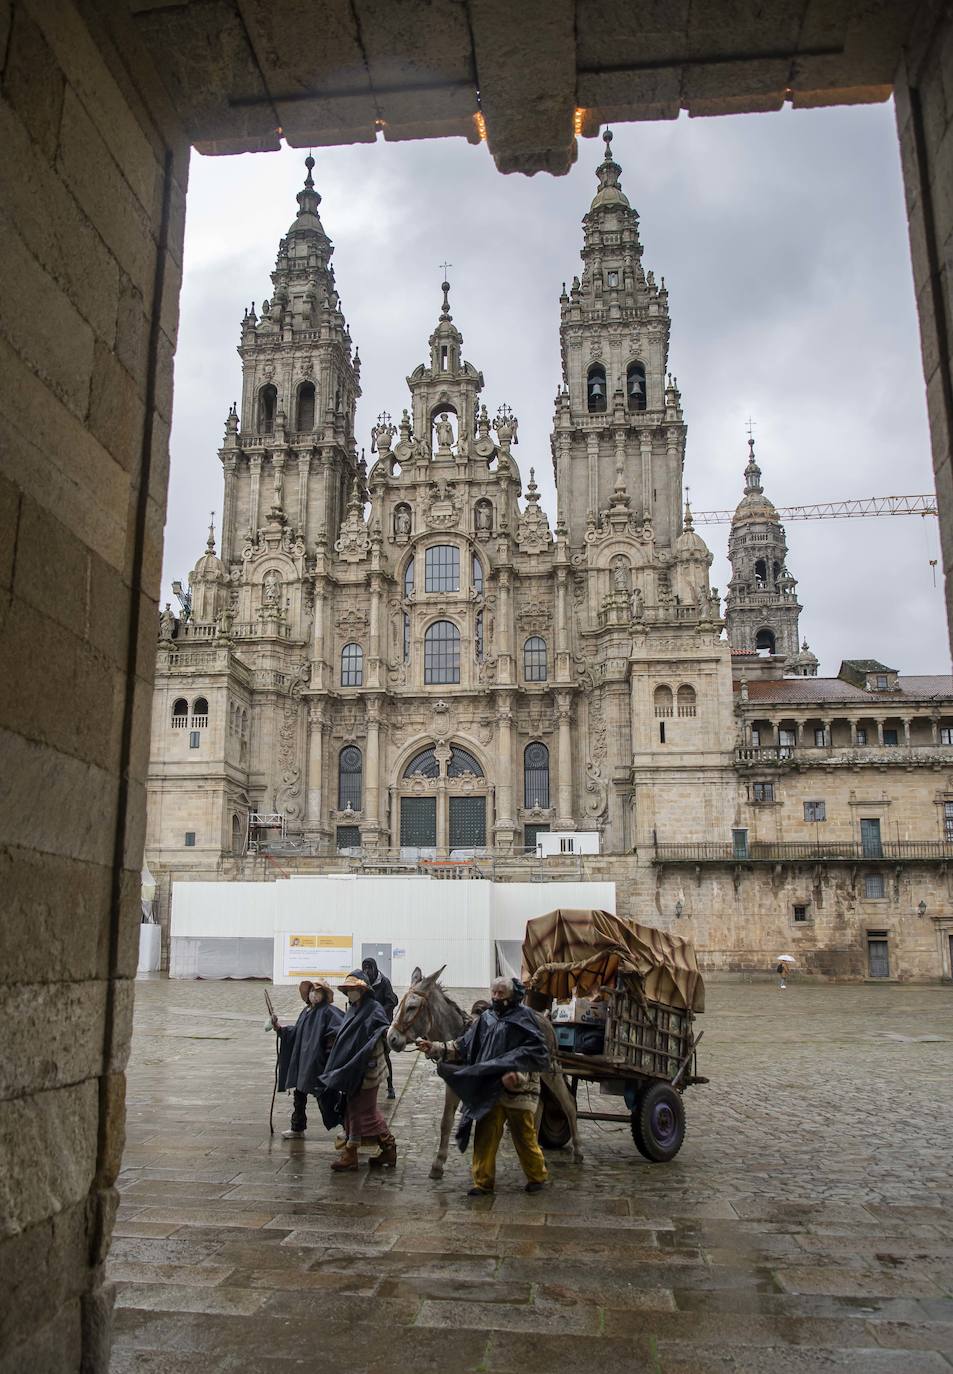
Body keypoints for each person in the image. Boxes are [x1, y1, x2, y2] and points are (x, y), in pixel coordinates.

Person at [418, 976, 551, 1197]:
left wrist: (518, 1075)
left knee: (524, 1137)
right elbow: (463, 1046)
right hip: (491, 1089)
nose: (497, 997)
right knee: (484, 1136)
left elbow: (533, 1052)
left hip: (519, 1092)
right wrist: (435, 1047)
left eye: (501, 994)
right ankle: (483, 1181)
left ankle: (537, 1176)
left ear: (511, 996)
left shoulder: (525, 1018)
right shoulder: (486, 1019)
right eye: (494, 993)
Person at [316, 970, 396, 1172]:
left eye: (353, 989)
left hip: (369, 1069)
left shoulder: (374, 1008)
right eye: (348, 990)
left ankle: (360, 1150)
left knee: (365, 1111)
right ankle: (379, 1149)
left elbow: (383, 1031)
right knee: (352, 1108)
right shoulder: (353, 1009)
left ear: (362, 990)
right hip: (353, 1070)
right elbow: (347, 1032)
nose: (350, 993)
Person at [270, 979, 342, 1139]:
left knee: (327, 1097)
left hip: (318, 1062)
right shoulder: (306, 1012)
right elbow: (297, 1032)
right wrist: (280, 1029)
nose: (314, 994)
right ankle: (297, 1127)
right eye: (311, 991)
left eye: (317, 991)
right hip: (303, 1061)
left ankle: (347, 1126)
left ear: (324, 995)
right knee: (299, 1095)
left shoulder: (329, 1012)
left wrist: (330, 1044)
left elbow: (339, 1029)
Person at [361, 956, 399, 1099]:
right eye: (365, 968)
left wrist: (378, 1012)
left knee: (384, 1054)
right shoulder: (363, 983)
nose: (367, 971)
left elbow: (392, 1001)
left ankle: (390, 1086)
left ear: (375, 968)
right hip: (367, 1024)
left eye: (369, 967)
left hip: (382, 1023)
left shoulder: (384, 982)